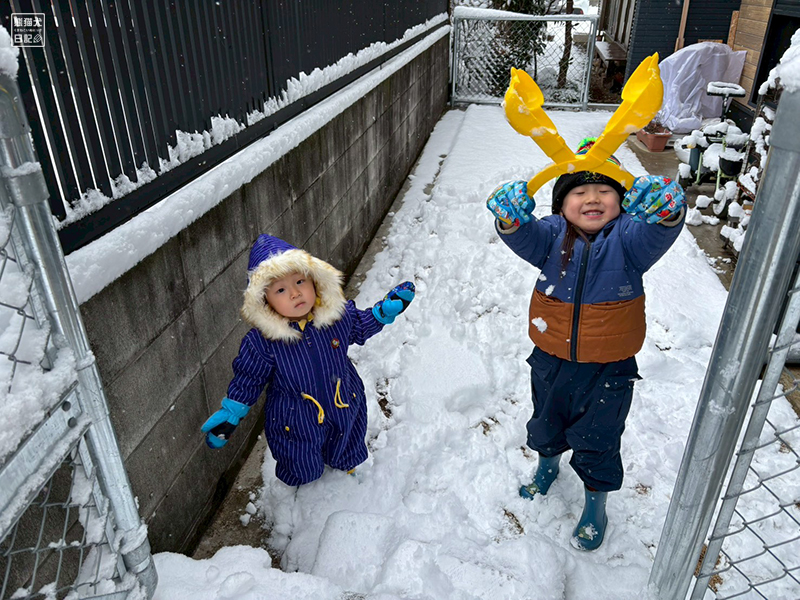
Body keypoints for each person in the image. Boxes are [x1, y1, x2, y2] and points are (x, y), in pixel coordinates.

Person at [486, 138, 686, 551]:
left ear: (623, 200)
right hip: (550, 359)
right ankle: (547, 467)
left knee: (599, 437)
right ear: (562, 203)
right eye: (579, 191)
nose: (592, 198)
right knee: (546, 421)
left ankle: (596, 502)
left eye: (605, 190)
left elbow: (660, 229)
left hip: (608, 369)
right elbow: (521, 235)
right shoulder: (550, 236)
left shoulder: (630, 239)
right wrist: (509, 218)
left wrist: (668, 210)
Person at [201, 234, 415, 486]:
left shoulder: (336, 315)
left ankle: (344, 469)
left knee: (347, 436)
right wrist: (231, 414)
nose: (294, 293)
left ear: (314, 280)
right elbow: (249, 378)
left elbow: (357, 327)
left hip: (342, 395)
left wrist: (381, 314)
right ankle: (302, 488)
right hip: (295, 414)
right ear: (265, 301)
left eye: (300, 281)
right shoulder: (263, 342)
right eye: (280, 289)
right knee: (299, 457)